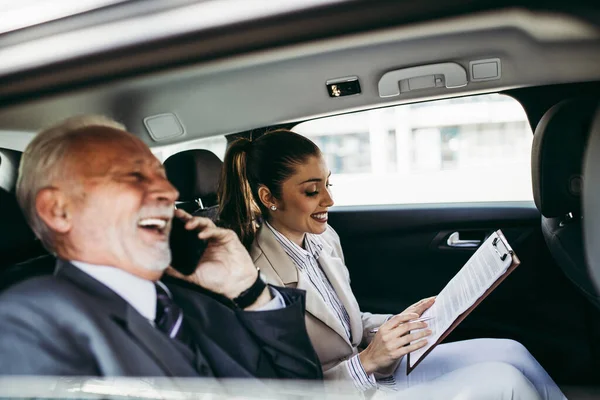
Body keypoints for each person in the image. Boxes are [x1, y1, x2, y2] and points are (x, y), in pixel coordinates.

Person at [217, 129, 566, 399]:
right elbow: (287, 390)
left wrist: (397, 324)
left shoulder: (324, 239)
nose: (330, 200)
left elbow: (345, 323)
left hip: (374, 375)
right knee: (505, 383)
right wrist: (367, 360)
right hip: (348, 389)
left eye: (328, 184)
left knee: (510, 350)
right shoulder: (254, 280)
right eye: (312, 191)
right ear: (268, 197)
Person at [0, 116, 322, 380]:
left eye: (161, 175)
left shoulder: (198, 302)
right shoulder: (30, 322)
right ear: (59, 210)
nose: (168, 191)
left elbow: (300, 389)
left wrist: (249, 290)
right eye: (134, 176)